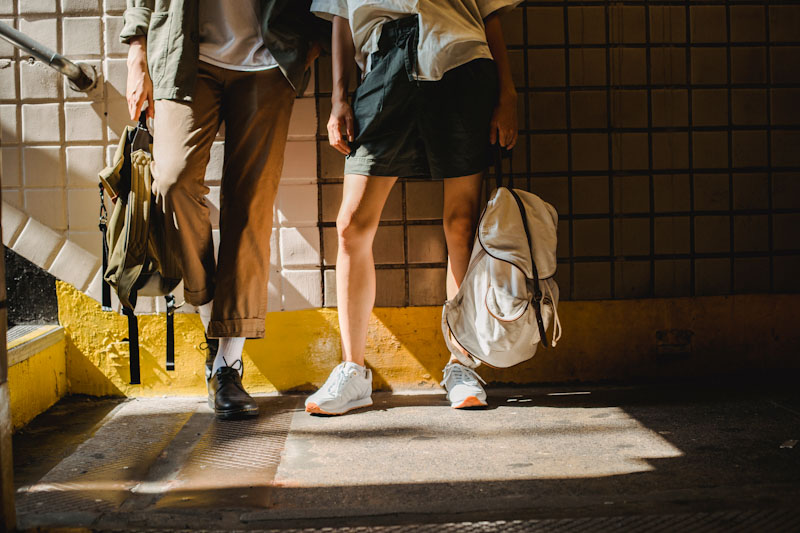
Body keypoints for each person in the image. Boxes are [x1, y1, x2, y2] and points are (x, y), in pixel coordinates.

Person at [306, 0, 520, 415]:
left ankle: (462, 363)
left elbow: (488, 13)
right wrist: (339, 97)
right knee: (351, 224)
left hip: (459, 59)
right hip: (384, 63)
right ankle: (353, 370)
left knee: (461, 224)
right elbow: (340, 14)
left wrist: (507, 93)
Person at [121, 0, 327, 419]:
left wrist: (313, 42)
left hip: (270, 60)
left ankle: (227, 367)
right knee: (173, 182)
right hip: (186, 55)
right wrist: (137, 52)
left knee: (251, 206)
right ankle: (214, 314)